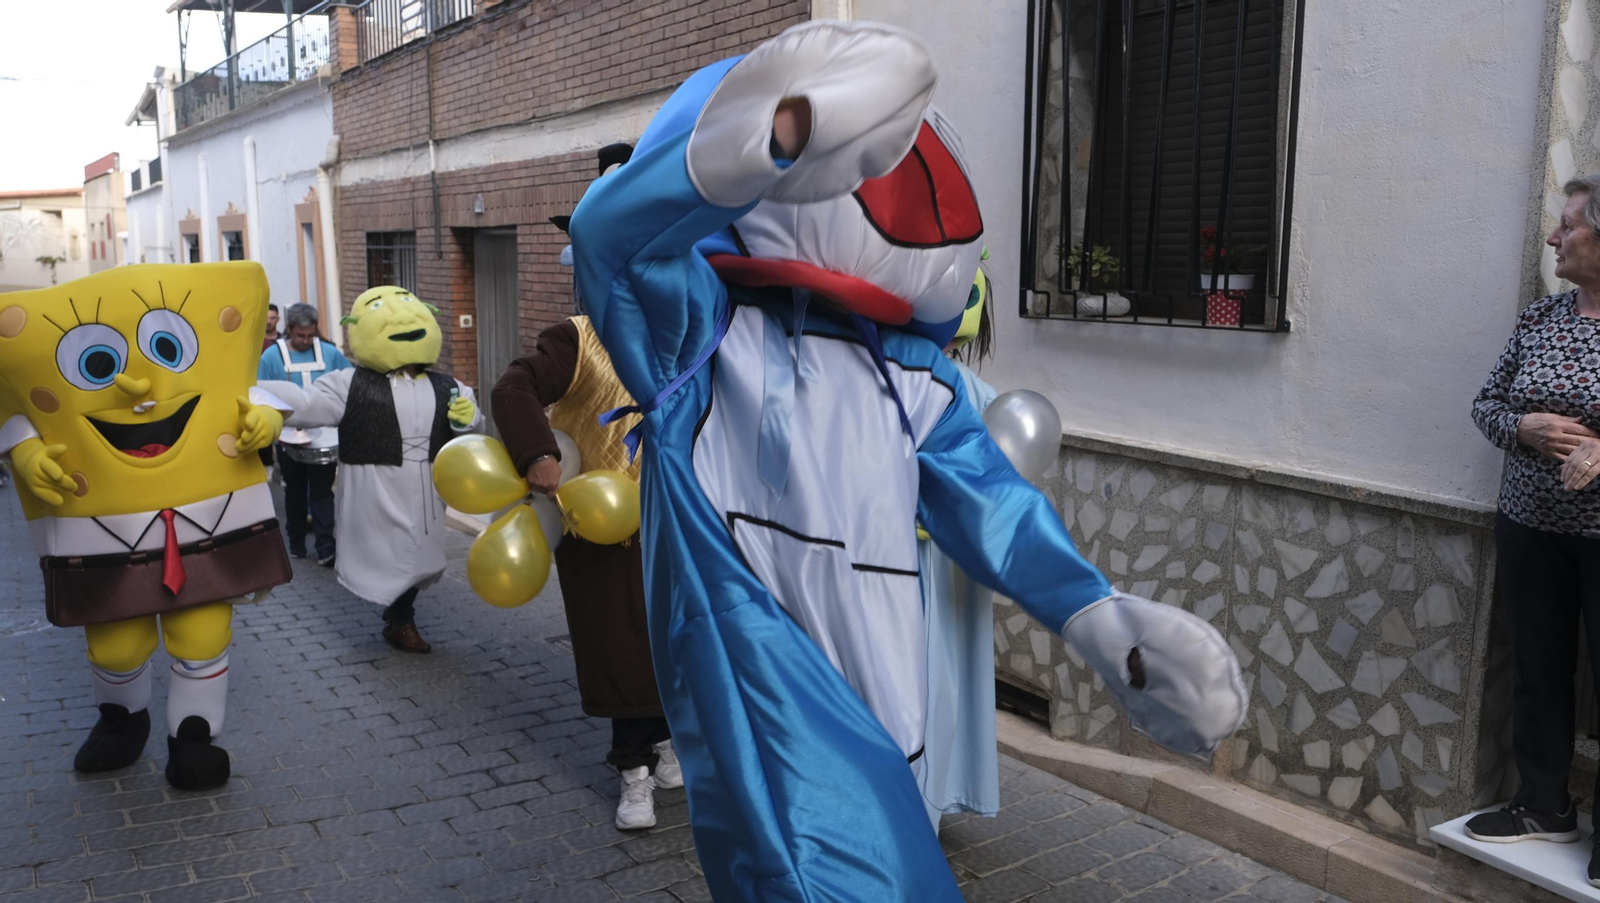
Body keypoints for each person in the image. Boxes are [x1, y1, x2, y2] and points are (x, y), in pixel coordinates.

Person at [569, 22, 1245, 900]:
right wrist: (765, 143)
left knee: (893, 851)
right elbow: (611, 245)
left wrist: (1096, 617)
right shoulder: (699, 333)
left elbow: (989, 502)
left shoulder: (913, 377)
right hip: (765, 667)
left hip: (891, 691)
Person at [0, 262, 292, 790]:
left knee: (202, 636)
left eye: (166, 350)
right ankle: (122, 721)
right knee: (117, 645)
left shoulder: (222, 368)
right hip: (102, 533)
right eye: (96, 362)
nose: (136, 384)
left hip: (208, 524)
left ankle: (195, 740)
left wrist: (267, 417)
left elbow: (245, 385)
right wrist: (23, 451)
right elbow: (14, 407)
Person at [492, 146, 681, 831]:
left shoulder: (682, 334)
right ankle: (632, 771)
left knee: (672, 640)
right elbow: (511, 386)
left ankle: (663, 740)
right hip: (601, 530)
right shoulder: (575, 338)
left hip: (673, 521)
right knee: (620, 646)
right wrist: (539, 453)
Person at [1469, 173, 1600, 887]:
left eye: (1570, 226)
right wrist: (1523, 424)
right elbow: (1485, 402)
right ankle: (1543, 804)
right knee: (1537, 671)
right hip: (1529, 528)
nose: (1554, 237)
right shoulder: (1541, 318)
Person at [260, 286, 481, 653]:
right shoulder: (350, 384)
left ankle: (400, 614)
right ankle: (402, 617)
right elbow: (306, 402)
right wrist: (246, 389)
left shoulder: (450, 387)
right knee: (386, 551)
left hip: (428, 485)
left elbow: (474, 433)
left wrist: (468, 419)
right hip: (377, 487)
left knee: (422, 555)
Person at [258, 303, 352, 566]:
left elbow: (349, 381)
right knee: (295, 491)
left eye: (311, 335)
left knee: (322, 492)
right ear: (289, 329)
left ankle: (326, 547)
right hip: (288, 437)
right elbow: (259, 393)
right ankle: (296, 541)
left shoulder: (331, 353)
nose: (306, 340)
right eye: (300, 335)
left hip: (324, 436)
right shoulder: (271, 358)